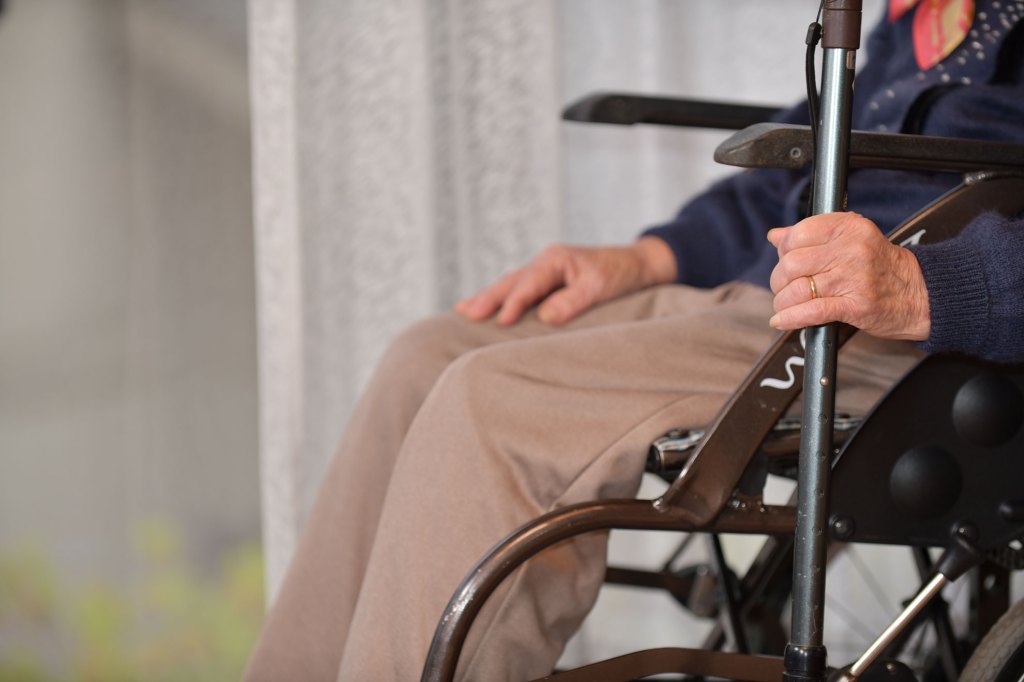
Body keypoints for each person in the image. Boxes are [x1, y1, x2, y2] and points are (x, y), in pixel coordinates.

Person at [245, 2, 1024, 680]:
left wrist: (921, 288)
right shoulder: (914, 23)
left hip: (906, 340)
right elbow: (791, 172)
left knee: (498, 410)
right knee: (426, 356)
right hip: (767, 293)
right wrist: (641, 259)